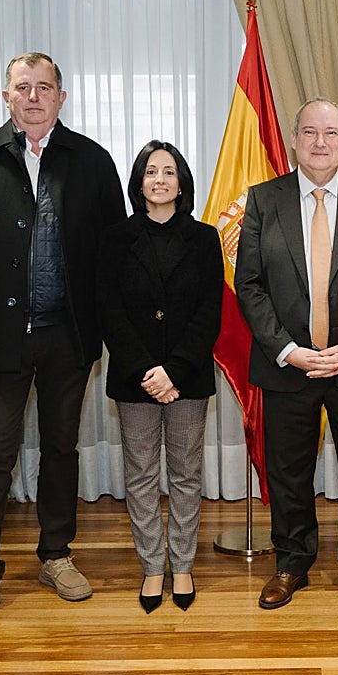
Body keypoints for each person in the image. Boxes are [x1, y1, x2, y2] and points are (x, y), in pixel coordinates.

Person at [0, 51, 125, 631]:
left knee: (61, 449)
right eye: (22, 87)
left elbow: (109, 248)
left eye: (44, 87)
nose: (33, 97)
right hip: (0, 339)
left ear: (61, 97)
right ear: (6, 97)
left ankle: (56, 555)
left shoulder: (92, 161)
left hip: (67, 336)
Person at [235, 97, 338, 612]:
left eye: (331, 134)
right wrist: (288, 350)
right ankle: (290, 564)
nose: (320, 143)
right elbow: (249, 285)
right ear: (294, 139)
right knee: (288, 473)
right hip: (288, 366)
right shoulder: (264, 200)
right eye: (310, 132)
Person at [99, 140, 223, 613]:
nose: (160, 180)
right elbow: (108, 311)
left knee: (187, 474)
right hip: (135, 379)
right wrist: (148, 371)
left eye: (169, 172)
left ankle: (184, 563)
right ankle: (154, 567)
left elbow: (209, 312)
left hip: (187, 377)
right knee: (141, 475)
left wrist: (174, 370)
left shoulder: (205, 237)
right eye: (151, 171)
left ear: (182, 182)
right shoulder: (114, 239)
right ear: (139, 182)